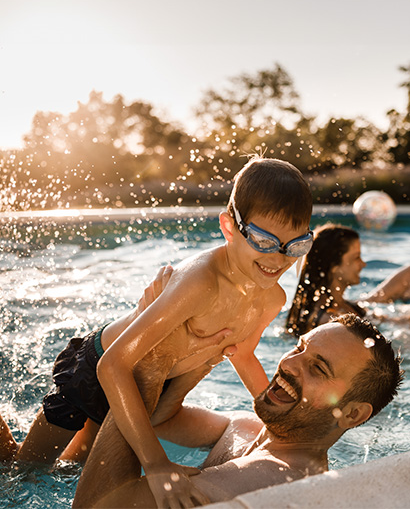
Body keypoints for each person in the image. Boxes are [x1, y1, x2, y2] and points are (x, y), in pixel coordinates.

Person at [1, 156, 313, 509]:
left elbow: (240, 354)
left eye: (296, 246)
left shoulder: (272, 298)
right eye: (263, 240)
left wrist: (288, 425)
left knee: (72, 469)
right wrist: (155, 464)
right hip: (94, 370)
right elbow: (113, 366)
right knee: (22, 472)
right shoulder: (201, 282)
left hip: (150, 387)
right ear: (229, 227)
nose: (278, 259)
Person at [71, 314, 403, 509]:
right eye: (299, 348)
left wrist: (146, 368)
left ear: (353, 414)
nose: (287, 364)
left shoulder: (271, 479)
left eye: (317, 367)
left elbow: (94, 507)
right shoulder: (247, 428)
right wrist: (203, 356)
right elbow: (161, 420)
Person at [285, 223, 410, 338]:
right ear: (334, 266)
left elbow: (391, 319)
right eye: (356, 257)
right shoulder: (328, 321)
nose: (363, 264)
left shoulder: (348, 307)